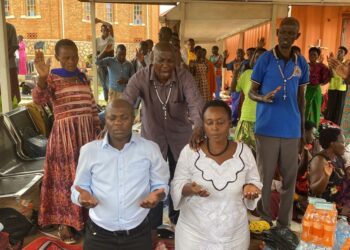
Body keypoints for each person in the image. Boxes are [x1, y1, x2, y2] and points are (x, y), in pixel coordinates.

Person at [122, 42, 204, 230]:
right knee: (153, 180)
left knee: (180, 178)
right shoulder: (140, 77)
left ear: (176, 61)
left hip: (181, 138)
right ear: (152, 59)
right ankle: (154, 225)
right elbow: (127, 101)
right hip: (152, 137)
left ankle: (179, 220)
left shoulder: (184, 77)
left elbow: (195, 103)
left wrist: (198, 127)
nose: (165, 65)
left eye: (170, 61)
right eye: (160, 60)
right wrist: (115, 124)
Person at [71, 99, 169, 250]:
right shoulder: (89, 151)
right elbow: (78, 188)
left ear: (134, 118)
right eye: (112, 118)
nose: (118, 123)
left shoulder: (150, 149)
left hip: (138, 233)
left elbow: (161, 185)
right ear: (105, 120)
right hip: (99, 234)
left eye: (124, 117)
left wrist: (157, 195)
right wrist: (81, 197)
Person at [32, 39, 101, 244]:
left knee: (87, 177)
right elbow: (38, 100)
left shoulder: (82, 78)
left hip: (86, 136)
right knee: (65, 180)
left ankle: (85, 219)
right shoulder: (52, 78)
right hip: (64, 137)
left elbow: (91, 106)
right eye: (67, 57)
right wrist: (42, 79)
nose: (72, 61)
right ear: (58, 58)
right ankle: (65, 223)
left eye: (75, 56)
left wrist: (98, 131)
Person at [171, 100, 262, 249]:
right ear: (203, 125)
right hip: (194, 236)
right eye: (209, 122)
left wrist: (250, 187)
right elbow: (177, 184)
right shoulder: (190, 152)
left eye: (220, 122)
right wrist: (190, 189)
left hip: (233, 237)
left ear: (229, 123)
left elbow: (254, 180)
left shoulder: (244, 152)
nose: (215, 128)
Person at [248, 17, 309, 230]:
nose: (286, 37)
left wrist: (302, 134)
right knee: (264, 179)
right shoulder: (265, 59)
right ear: (278, 33)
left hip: (292, 131)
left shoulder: (301, 62)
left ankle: (284, 225)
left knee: (289, 181)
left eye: (291, 34)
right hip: (267, 129)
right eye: (283, 33)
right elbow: (251, 92)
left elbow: (301, 99)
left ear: (297, 37)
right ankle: (265, 220)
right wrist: (262, 98)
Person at [233, 48, 267, 152]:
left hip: (263, 120)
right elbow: (234, 89)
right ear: (253, 59)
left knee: (260, 156)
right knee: (241, 154)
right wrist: (235, 72)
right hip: (246, 118)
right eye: (257, 57)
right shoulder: (247, 73)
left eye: (263, 57)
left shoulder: (271, 76)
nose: (259, 60)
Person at [308, 123, 347, 212]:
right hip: (319, 210)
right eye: (342, 142)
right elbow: (315, 190)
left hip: (335, 207)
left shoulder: (339, 159)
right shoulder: (320, 160)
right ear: (332, 144)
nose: (344, 145)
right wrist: (325, 176)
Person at [306, 47, 331, 126]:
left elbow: (328, 76)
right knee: (305, 107)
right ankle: (304, 126)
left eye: (314, 54)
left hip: (316, 89)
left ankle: (314, 128)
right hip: (306, 89)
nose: (312, 56)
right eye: (310, 54)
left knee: (315, 108)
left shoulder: (321, 66)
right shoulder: (305, 65)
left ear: (318, 56)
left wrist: (330, 65)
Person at [325, 46, 348, 125]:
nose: (339, 53)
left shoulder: (347, 63)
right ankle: (328, 125)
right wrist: (330, 65)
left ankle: (337, 127)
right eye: (338, 51)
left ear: (344, 54)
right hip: (333, 87)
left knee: (339, 108)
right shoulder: (333, 62)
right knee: (331, 107)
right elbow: (331, 75)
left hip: (342, 88)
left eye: (341, 52)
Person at [223, 48, 246, 126]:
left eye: (241, 53)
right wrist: (225, 57)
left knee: (242, 103)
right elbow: (224, 65)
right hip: (235, 85)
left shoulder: (247, 62)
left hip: (244, 85)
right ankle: (233, 120)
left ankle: (240, 119)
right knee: (235, 103)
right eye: (238, 53)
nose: (239, 54)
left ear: (244, 53)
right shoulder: (234, 62)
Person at [96, 18, 115, 102]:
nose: (106, 31)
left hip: (110, 63)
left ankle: (111, 101)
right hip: (101, 63)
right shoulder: (97, 40)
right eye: (103, 30)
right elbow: (97, 56)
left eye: (107, 30)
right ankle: (106, 101)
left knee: (110, 83)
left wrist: (99, 21)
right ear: (101, 30)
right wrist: (104, 51)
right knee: (104, 84)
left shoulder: (111, 38)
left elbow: (110, 26)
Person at [6, 22, 20, 103]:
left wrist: (3, 57)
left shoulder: (9, 27)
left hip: (9, 65)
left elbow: (14, 45)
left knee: (13, 95)